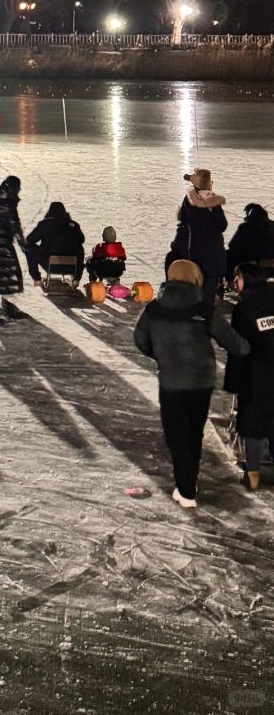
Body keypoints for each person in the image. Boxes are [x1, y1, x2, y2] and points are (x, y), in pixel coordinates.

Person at [135, 258, 249, 508]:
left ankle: (186, 490)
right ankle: (189, 483)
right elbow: (232, 341)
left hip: (171, 382)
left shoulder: (154, 309)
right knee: (194, 432)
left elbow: (140, 339)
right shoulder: (204, 308)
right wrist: (254, 347)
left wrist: (161, 354)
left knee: (177, 435)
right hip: (201, 382)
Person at [225, 262, 274, 490]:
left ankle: (252, 473)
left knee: (253, 425)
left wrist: (234, 382)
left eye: (238, 279)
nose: (235, 284)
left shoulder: (244, 309)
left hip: (256, 377)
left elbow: (239, 349)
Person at [166, 168, 228, 307]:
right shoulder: (213, 200)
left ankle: (189, 308)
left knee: (192, 282)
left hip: (193, 250)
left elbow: (183, 222)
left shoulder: (188, 200)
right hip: (212, 252)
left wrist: (178, 245)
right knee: (210, 281)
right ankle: (204, 312)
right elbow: (222, 225)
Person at [0, 176, 31, 324]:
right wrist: (24, 246)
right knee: (1, 280)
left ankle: (7, 307)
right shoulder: (8, 203)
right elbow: (14, 225)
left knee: (1, 279)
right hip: (2, 247)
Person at [25, 200, 86, 284]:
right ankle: (76, 279)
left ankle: (36, 278)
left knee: (29, 247)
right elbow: (81, 240)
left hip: (50, 263)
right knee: (79, 247)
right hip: (71, 266)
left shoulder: (45, 224)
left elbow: (29, 239)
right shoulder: (73, 225)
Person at [227, 204, 274, 274]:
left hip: (253, 265)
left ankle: (230, 281)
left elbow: (232, 246)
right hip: (271, 265)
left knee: (228, 255)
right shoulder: (272, 225)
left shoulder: (245, 227)